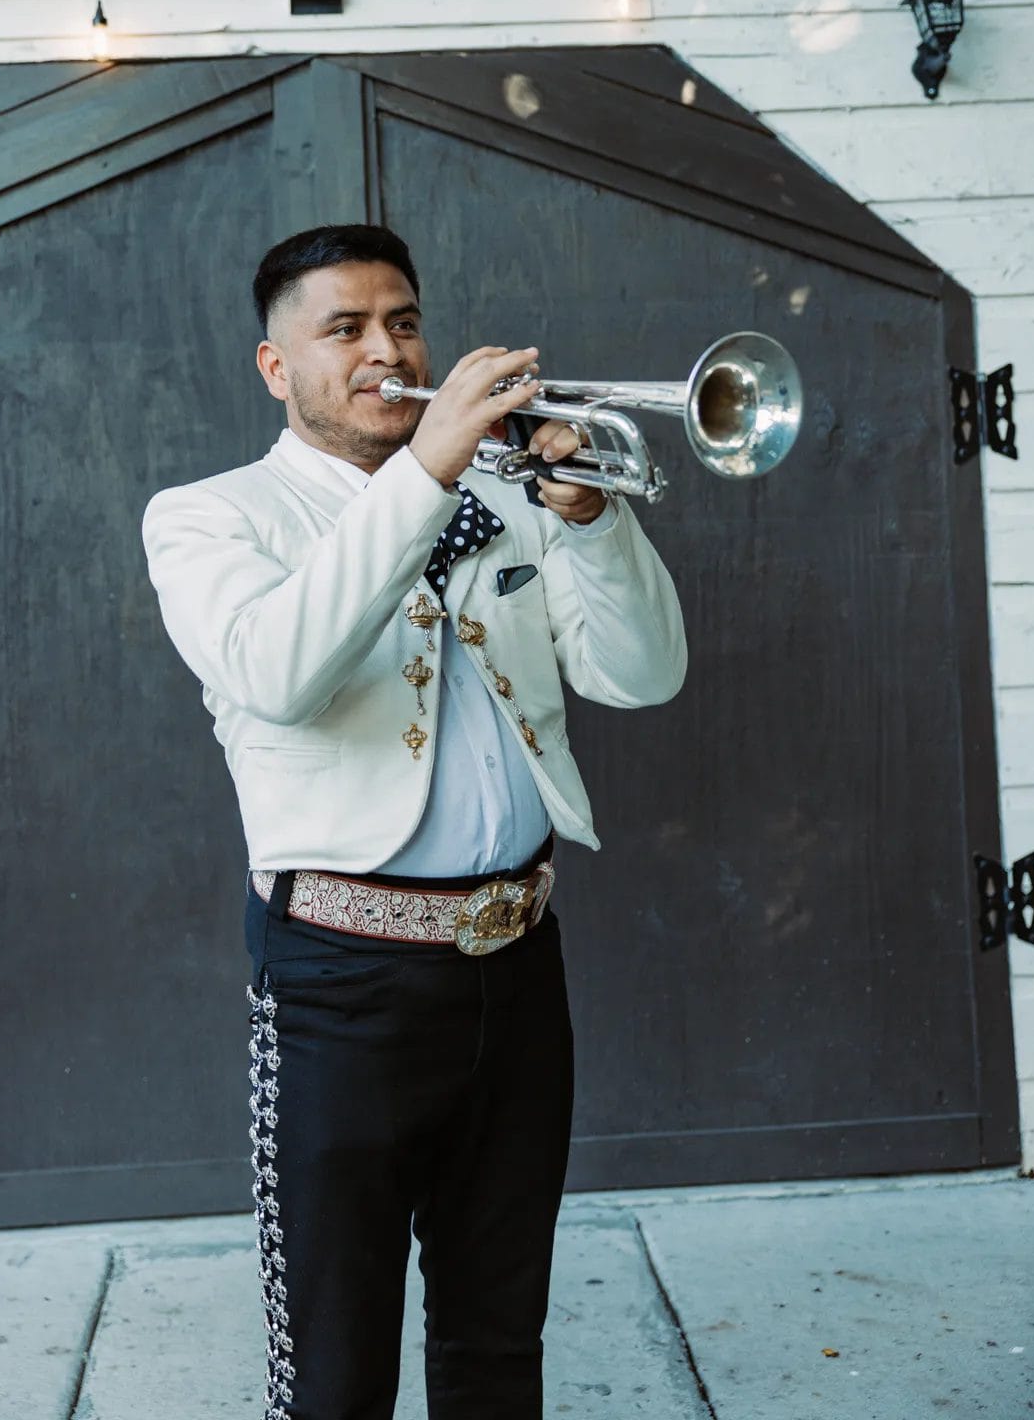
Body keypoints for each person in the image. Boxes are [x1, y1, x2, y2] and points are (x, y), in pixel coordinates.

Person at [140, 222, 687, 1420]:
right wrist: (427, 474)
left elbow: (643, 678)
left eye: (402, 321)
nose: (385, 349)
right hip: (344, 983)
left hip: (518, 965)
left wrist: (594, 522)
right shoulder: (209, 517)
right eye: (343, 329)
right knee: (336, 1367)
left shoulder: (511, 490)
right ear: (276, 368)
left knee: (500, 1339)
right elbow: (278, 672)